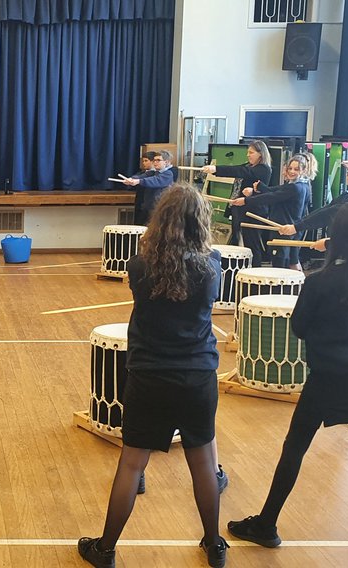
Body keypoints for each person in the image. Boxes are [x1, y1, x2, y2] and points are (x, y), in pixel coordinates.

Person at [228, 201, 348, 551]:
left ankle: (267, 524)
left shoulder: (320, 281)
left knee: (296, 447)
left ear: (340, 236)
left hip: (328, 376)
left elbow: (300, 328)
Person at [78, 184, 228, 568]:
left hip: (149, 375)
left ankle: (105, 550)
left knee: (131, 465)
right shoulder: (212, 266)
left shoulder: (139, 266)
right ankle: (214, 545)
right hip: (197, 376)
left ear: (160, 220)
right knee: (204, 463)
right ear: (200, 221)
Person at [229, 154, 314, 270]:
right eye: (290, 168)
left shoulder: (294, 187)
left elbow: (272, 197)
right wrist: (256, 191)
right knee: (292, 261)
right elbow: (274, 192)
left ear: (304, 170)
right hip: (292, 228)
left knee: (280, 265)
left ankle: (282, 287)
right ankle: (298, 287)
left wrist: (246, 200)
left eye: (296, 169)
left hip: (284, 229)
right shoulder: (303, 185)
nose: (292, 172)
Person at [277, 156, 348, 238]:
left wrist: (296, 227)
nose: (347, 174)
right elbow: (327, 208)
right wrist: (297, 225)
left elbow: (329, 214)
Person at [201, 140, 273, 258]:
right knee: (237, 240)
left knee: (251, 244)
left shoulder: (263, 169)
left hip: (252, 211)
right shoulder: (248, 165)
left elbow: (240, 171)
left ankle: (254, 269)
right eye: (247, 152)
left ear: (260, 154)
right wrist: (214, 170)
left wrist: (215, 168)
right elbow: (233, 169)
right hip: (238, 208)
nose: (248, 155)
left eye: (251, 152)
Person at [122, 150, 175, 225]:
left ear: (166, 162)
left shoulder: (168, 174)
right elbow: (141, 176)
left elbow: (154, 181)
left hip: (159, 209)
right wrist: (131, 179)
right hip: (148, 207)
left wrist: (138, 181)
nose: (155, 162)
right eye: (154, 160)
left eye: (158, 160)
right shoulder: (152, 172)